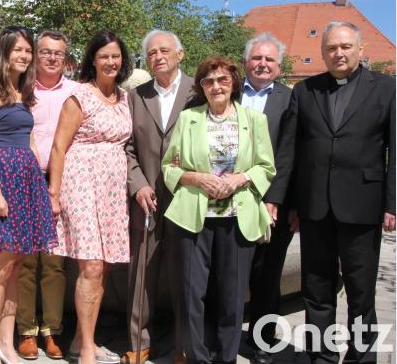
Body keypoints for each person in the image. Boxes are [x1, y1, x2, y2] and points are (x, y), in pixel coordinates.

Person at [266, 22, 395, 364]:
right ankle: (320, 356)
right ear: (323, 52)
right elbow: (290, 152)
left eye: (345, 46)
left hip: (363, 205)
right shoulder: (305, 91)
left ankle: (361, 357)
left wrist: (393, 203)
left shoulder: (386, 89)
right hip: (315, 207)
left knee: (361, 292)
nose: (338, 53)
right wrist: (281, 199)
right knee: (317, 290)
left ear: (360, 49)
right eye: (331, 48)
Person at [161, 56, 275, 364]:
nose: (216, 86)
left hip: (237, 219)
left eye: (223, 80)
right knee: (190, 294)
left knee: (232, 296)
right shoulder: (189, 119)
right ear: (201, 87)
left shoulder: (254, 120)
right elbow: (169, 167)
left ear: (234, 83)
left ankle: (226, 357)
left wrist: (239, 179)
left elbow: (266, 167)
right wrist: (196, 177)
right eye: (208, 81)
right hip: (193, 218)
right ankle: (197, 357)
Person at [0, 26, 58, 364]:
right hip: (2, 180)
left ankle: (7, 343)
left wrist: (42, 183)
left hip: (26, 182)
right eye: (17, 50)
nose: (24, 55)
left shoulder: (22, 92)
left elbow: (30, 140)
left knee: (16, 267)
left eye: (27, 51)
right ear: (3, 53)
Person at [49, 30, 133, 364]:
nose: (110, 62)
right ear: (93, 60)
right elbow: (58, 146)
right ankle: (85, 351)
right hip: (81, 183)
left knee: (105, 268)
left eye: (115, 56)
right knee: (92, 268)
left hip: (112, 191)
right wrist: (53, 193)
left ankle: (82, 341)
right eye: (104, 56)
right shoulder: (79, 95)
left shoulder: (126, 98)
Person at [122, 30, 195, 364]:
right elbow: (128, 147)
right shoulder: (135, 96)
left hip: (187, 199)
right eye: (151, 53)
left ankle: (184, 345)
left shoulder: (200, 91)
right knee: (141, 274)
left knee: (186, 274)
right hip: (147, 197)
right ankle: (139, 343)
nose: (158, 57)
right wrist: (138, 184)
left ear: (180, 54)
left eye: (165, 51)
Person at [16, 30, 77, 361]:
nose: (52, 57)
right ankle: (26, 331)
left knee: (54, 262)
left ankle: (51, 332)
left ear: (65, 58)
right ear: (36, 55)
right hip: (27, 178)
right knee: (26, 260)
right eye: (46, 52)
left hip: (63, 179)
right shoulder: (22, 88)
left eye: (58, 53)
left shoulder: (76, 91)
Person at [237, 33, 294, 364]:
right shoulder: (228, 92)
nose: (262, 64)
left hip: (272, 202)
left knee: (268, 275)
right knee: (230, 273)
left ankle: (262, 339)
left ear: (279, 66)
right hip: (229, 199)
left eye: (269, 59)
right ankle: (225, 334)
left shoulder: (291, 98)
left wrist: (279, 199)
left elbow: (289, 155)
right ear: (246, 62)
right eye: (257, 58)